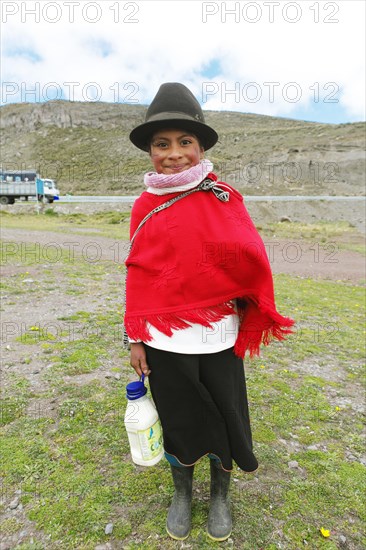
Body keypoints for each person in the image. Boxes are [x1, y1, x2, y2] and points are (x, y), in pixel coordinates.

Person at [124, 82, 294, 542]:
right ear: (151, 151)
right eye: (162, 144)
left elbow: (249, 260)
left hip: (219, 333)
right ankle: (182, 492)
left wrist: (244, 299)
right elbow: (138, 272)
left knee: (224, 414)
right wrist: (135, 336)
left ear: (200, 148)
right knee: (178, 416)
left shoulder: (224, 198)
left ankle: (220, 494)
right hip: (162, 338)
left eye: (185, 143)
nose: (173, 153)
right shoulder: (144, 205)